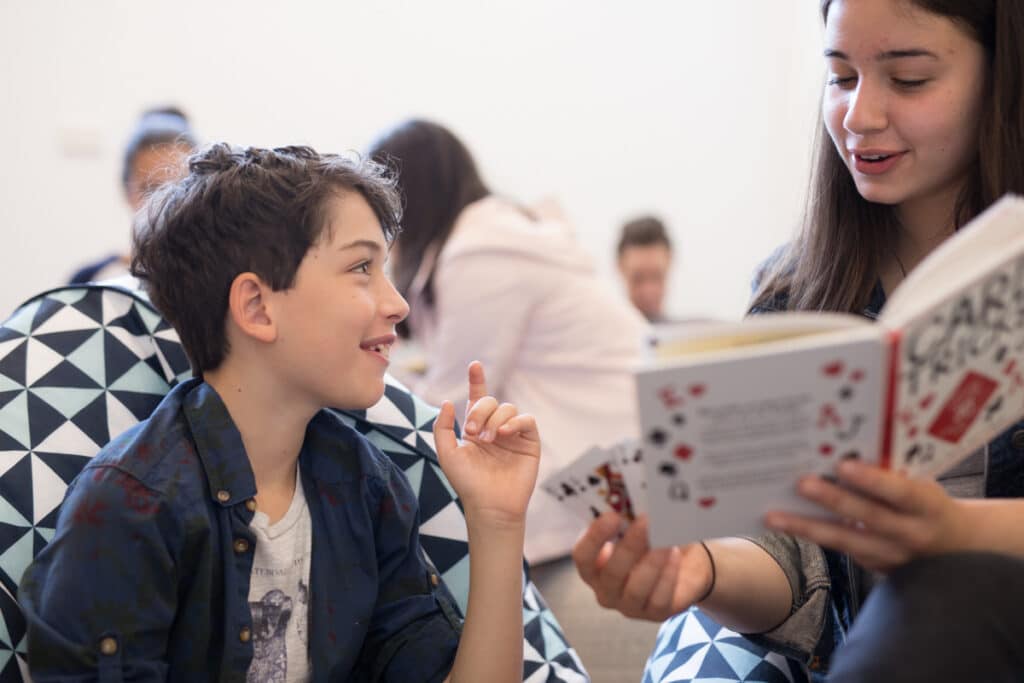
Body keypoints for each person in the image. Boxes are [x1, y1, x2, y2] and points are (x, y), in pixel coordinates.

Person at [572, 1, 1024, 681]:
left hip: (980, 616)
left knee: (939, 592)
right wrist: (705, 565)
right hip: (852, 644)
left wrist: (955, 533)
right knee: (701, 645)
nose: (859, 116)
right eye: (840, 77)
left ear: (1001, 78)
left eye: (908, 79)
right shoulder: (796, 290)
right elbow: (788, 555)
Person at [21, 143, 541, 681]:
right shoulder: (131, 507)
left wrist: (497, 521)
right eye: (362, 267)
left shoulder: (364, 486)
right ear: (256, 308)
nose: (398, 303)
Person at [367, 120, 647, 564]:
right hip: (612, 454)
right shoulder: (496, 234)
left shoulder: (479, 253)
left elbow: (452, 409)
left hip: (592, 470)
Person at [68, 106, 197, 284]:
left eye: (180, 187)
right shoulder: (91, 282)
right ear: (127, 191)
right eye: (152, 189)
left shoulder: (219, 280)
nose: (166, 201)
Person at [616, 215, 673, 323]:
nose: (648, 292)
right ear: (619, 267)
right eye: (638, 278)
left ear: (670, 262)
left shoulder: (698, 333)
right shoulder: (601, 334)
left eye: (657, 277)